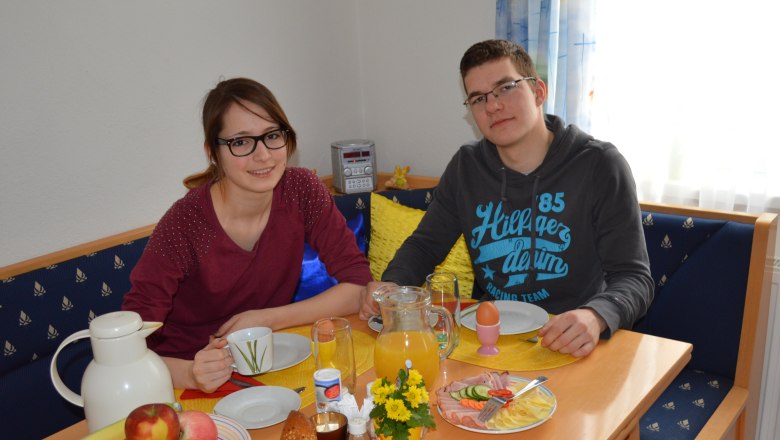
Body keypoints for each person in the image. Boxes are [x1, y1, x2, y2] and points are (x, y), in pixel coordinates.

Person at [359, 39, 653, 357]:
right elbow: (425, 246)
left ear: (538, 92)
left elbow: (634, 277)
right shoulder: (466, 167)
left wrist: (595, 316)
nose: (492, 106)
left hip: (574, 341)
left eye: (506, 88)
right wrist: (391, 286)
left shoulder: (600, 165)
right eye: (478, 98)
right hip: (489, 339)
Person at [123, 77, 372, 392]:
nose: (263, 155)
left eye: (272, 136)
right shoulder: (185, 222)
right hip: (184, 379)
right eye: (241, 142)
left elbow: (358, 286)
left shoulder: (301, 190)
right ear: (213, 152)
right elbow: (127, 347)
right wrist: (190, 374)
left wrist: (268, 319)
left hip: (265, 367)